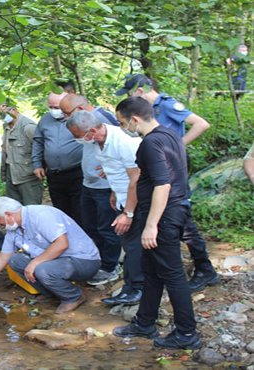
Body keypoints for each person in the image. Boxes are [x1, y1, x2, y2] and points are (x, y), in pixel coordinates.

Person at [112, 97, 202, 350]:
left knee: (173, 274)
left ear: (135, 119)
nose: (122, 127)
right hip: (174, 210)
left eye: (122, 122)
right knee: (151, 270)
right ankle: (145, 322)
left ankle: (186, 333)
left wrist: (151, 225)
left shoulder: (150, 143)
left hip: (164, 214)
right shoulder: (170, 134)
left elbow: (163, 184)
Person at [115, 74, 219, 293]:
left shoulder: (167, 104)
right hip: (160, 166)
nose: (130, 97)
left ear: (140, 92)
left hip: (170, 168)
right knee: (173, 223)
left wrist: (177, 146)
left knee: (181, 221)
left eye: (130, 93)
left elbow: (201, 124)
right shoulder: (148, 114)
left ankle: (203, 268)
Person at [0, 197, 100, 314]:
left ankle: (74, 296)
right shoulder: (13, 228)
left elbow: (61, 244)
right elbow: (3, 257)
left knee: (42, 269)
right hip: (55, 261)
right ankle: (52, 293)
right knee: (15, 260)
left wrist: (35, 263)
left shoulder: (41, 215)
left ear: (8, 214)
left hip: (83, 260)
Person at [67, 111, 144, 305]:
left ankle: (138, 289)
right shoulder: (98, 143)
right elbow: (113, 170)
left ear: (92, 131)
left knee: (134, 247)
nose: (77, 140)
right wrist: (113, 193)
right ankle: (130, 286)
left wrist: (128, 213)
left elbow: (136, 180)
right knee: (127, 243)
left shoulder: (123, 142)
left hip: (136, 202)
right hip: (120, 198)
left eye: (78, 136)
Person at [60, 94, 123, 286]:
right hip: (89, 184)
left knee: (107, 228)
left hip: (105, 187)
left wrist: (112, 168)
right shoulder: (84, 123)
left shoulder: (102, 119)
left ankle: (111, 266)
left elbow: (126, 145)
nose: (63, 117)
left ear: (79, 110)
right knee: (91, 225)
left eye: (66, 113)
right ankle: (98, 261)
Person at [31, 92, 83, 225]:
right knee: (61, 212)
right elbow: (38, 142)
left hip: (77, 173)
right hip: (54, 175)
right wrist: (37, 164)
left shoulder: (80, 119)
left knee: (80, 212)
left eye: (57, 107)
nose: (54, 111)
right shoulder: (45, 120)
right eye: (51, 107)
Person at [0, 100, 44, 205]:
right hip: (11, 176)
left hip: (28, 178)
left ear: (13, 110)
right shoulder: (7, 126)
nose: (1, 117)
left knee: (32, 210)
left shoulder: (28, 127)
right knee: (14, 210)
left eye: (2, 114)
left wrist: (40, 169)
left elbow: (41, 150)